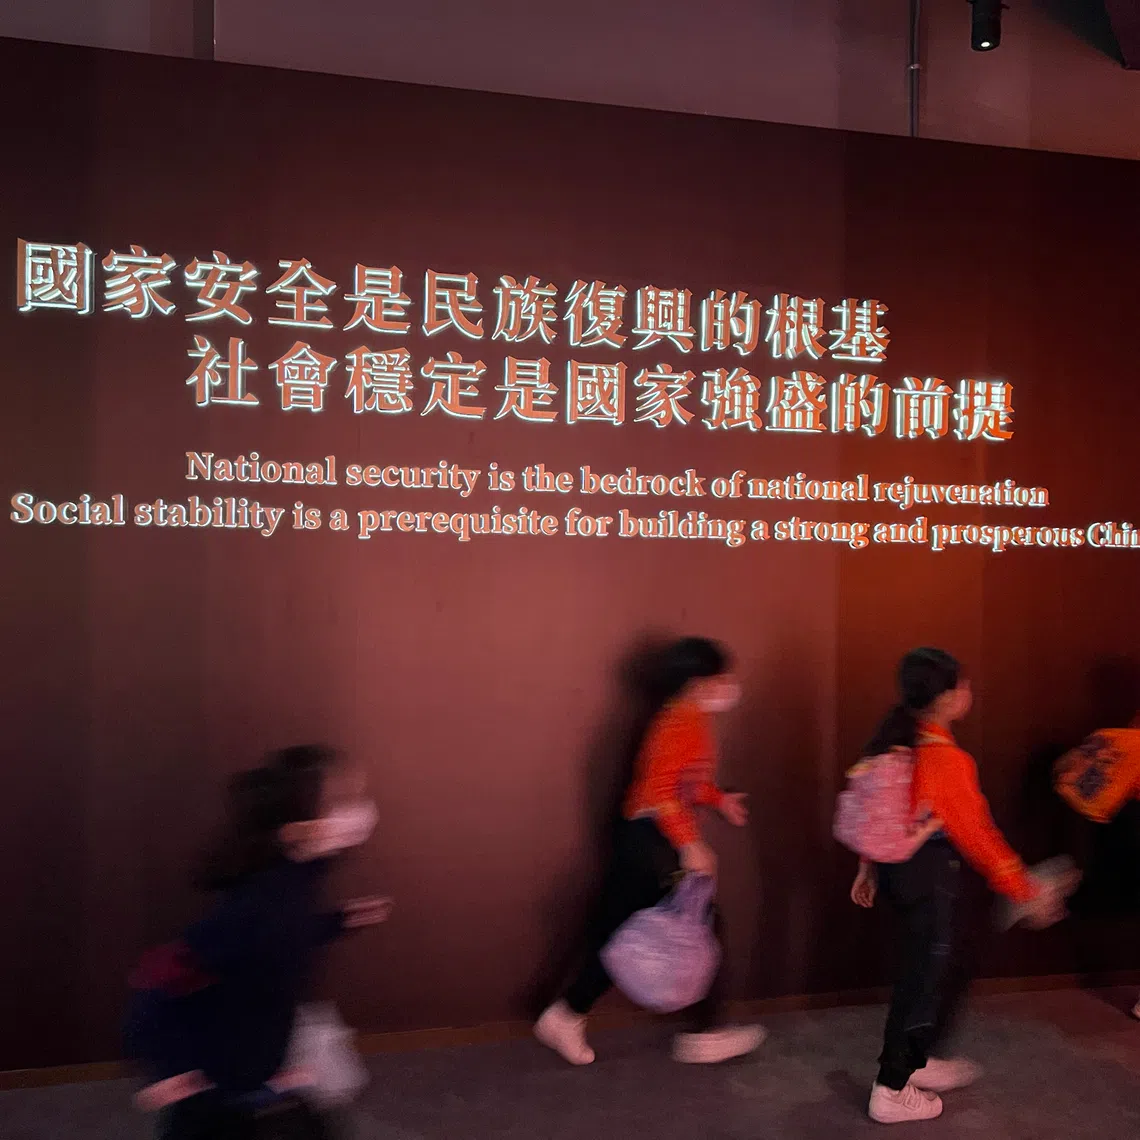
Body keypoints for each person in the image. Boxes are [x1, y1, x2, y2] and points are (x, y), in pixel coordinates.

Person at [850, 648, 1063, 1125]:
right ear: (945, 697)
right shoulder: (945, 759)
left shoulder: (894, 743)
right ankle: (891, 1089)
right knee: (923, 980)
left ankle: (920, 1062)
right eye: (963, 685)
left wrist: (867, 868)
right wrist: (1025, 889)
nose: (969, 693)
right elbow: (979, 835)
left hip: (898, 873)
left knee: (941, 966)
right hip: (929, 875)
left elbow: (874, 814)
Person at [125, 758, 390, 1139]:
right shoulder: (258, 905)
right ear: (295, 829)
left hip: (261, 1050)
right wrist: (170, 1069)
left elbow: (285, 937)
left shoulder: (298, 878)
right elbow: (159, 982)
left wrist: (340, 921)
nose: (359, 810)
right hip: (219, 1074)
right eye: (342, 801)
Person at [535, 636, 765, 1066]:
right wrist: (690, 844)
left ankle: (568, 1014)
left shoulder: (689, 719)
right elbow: (660, 791)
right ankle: (706, 1031)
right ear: (699, 683)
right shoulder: (677, 723)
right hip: (651, 839)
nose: (730, 686)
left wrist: (719, 800)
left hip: (645, 838)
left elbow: (685, 782)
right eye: (723, 678)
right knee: (692, 925)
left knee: (627, 932)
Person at [1053, 673, 1140, 1022]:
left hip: (1118, 827)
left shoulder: (1117, 737)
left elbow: (1063, 771)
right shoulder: (1127, 740)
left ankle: (1053, 887)